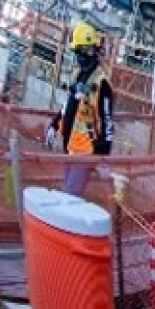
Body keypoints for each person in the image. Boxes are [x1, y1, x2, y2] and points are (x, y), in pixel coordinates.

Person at [46, 21, 114, 198]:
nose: (83, 56)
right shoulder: (77, 75)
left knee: (69, 198)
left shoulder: (102, 83)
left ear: (94, 49)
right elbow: (68, 105)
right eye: (79, 51)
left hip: (86, 150)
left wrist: (103, 154)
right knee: (67, 195)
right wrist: (54, 125)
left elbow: (107, 120)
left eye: (87, 50)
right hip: (70, 145)